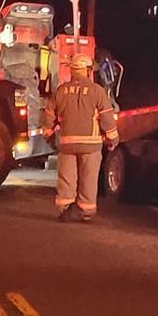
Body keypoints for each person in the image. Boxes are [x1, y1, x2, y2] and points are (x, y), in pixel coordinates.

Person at [49, 52, 120, 222]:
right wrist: (113, 140)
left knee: (67, 179)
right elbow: (107, 119)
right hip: (91, 146)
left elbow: (48, 116)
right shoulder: (97, 91)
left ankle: (65, 209)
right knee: (88, 178)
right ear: (88, 71)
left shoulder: (61, 91)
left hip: (67, 144)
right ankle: (86, 211)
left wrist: (50, 137)